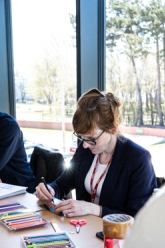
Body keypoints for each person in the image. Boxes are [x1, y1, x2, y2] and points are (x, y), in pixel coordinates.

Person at [35, 89, 156, 217]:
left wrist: (95, 209)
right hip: (84, 230)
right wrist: (50, 189)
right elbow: (64, 183)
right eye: (82, 137)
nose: (85, 145)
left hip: (115, 234)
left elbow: (137, 216)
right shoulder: (86, 149)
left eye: (92, 139)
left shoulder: (138, 159)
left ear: (113, 129)